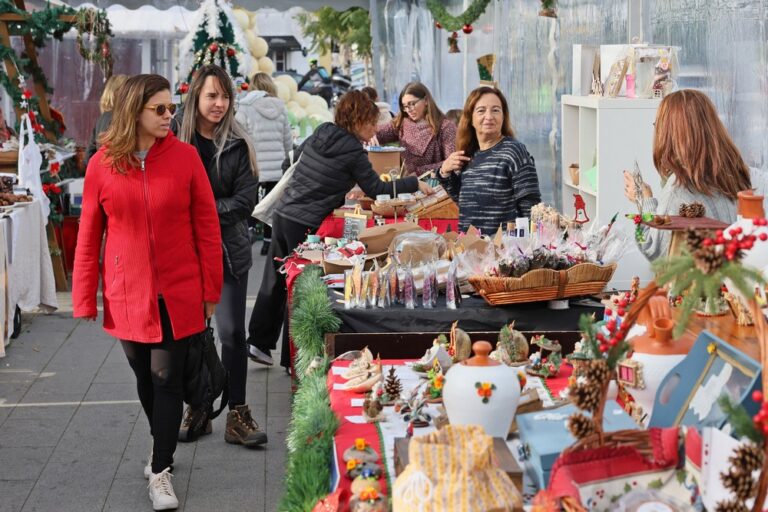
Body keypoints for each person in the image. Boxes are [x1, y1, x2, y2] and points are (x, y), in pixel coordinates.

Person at [72, 74, 223, 510]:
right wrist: (84, 297)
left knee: (166, 378)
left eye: (171, 107)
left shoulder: (186, 158)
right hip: (126, 293)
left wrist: (210, 288)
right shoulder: (102, 164)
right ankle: (160, 444)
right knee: (144, 379)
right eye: (159, 109)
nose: (169, 115)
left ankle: (161, 469)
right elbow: (88, 237)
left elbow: (207, 229)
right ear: (133, 110)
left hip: (178, 290)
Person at [246, 90, 434, 369]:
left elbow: (296, 159)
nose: (373, 129)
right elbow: (377, 189)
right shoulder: (354, 152)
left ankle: (258, 343)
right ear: (357, 119)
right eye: (370, 122)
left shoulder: (322, 132)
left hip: (285, 213)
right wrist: (413, 183)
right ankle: (291, 359)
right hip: (307, 223)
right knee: (300, 287)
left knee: (274, 280)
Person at [176, 64, 267, 448]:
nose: (219, 103)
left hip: (229, 251)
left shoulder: (238, 143)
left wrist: (201, 208)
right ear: (196, 96)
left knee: (232, 333)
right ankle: (197, 407)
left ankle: (237, 413)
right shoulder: (175, 142)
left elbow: (246, 202)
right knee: (187, 335)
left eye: (224, 95)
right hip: (183, 253)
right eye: (212, 95)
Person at [624, 89, 752, 261]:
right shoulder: (732, 173)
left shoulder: (679, 189)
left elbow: (656, 251)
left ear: (670, 133)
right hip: (733, 283)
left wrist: (643, 200)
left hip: (697, 285)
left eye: (658, 126)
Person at [438, 86, 541, 235]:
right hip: (470, 248)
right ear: (470, 118)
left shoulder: (514, 152)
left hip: (503, 252)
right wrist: (445, 172)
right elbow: (466, 203)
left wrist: (522, 251)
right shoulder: (470, 154)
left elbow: (531, 209)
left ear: (503, 116)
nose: (489, 116)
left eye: (495, 110)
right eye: (481, 110)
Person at [236, 72, 292, 256]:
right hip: (276, 166)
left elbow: (238, 132)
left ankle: (249, 233)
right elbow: (287, 137)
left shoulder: (245, 106)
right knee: (271, 205)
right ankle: (268, 242)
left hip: (254, 165)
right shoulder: (280, 107)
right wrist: (287, 159)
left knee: (251, 202)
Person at [374, 82, 456, 177]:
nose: (408, 110)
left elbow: (452, 163)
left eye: (412, 104)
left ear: (426, 100)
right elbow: (379, 133)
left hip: (436, 185)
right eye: (405, 106)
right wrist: (371, 134)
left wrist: (419, 172)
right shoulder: (401, 123)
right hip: (408, 185)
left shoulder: (445, 127)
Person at [86, 74, 129, 163]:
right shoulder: (120, 118)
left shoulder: (102, 119)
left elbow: (89, 155)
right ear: (116, 93)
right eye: (128, 91)